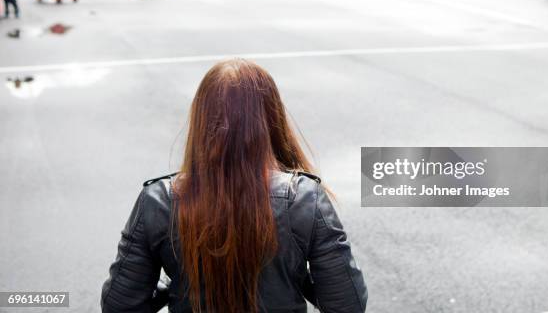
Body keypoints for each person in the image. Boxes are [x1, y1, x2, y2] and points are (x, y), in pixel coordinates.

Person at [101, 59, 368, 313]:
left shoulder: (159, 200)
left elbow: (120, 306)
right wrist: (292, 274)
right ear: (270, 118)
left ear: (201, 120)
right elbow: (347, 305)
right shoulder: (303, 199)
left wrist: (178, 283)